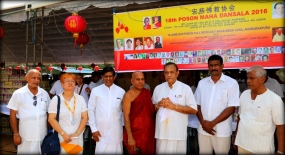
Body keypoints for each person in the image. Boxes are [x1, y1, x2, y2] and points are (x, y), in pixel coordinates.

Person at [234, 65, 284, 154]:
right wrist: (236, 137)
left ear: (262, 79)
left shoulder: (275, 99)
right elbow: (240, 118)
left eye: (252, 78)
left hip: (261, 147)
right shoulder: (244, 94)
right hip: (242, 144)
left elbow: (280, 126)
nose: (248, 81)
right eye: (247, 78)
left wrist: (280, 151)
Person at [195, 55, 240, 154]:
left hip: (221, 131)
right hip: (203, 130)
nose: (213, 68)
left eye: (216, 65)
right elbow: (197, 105)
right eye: (211, 65)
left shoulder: (231, 83)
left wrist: (211, 124)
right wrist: (204, 124)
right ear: (208, 67)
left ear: (222, 66)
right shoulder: (202, 83)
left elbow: (231, 108)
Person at [152, 62, 197, 154]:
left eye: (172, 72)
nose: (169, 75)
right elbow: (153, 108)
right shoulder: (158, 88)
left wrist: (174, 106)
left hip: (178, 133)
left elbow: (193, 110)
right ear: (164, 74)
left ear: (177, 73)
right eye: (166, 72)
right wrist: (159, 104)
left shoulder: (185, 88)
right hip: (162, 133)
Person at [7, 69, 51, 154]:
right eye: (33, 78)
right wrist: (16, 134)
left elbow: (48, 112)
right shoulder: (18, 93)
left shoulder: (44, 93)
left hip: (42, 135)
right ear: (27, 78)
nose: (36, 80)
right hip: (26, 135)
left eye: (38, 78)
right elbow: (12, 115)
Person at [88, 66, 125, 154]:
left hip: (116, 131)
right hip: (101, 131)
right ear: (102, 77)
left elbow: (124, 112)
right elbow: (90, 109)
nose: (108, 78)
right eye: (106, 76)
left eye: (110, 76)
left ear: (114, 77)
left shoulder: (121, 91)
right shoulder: (95, 91)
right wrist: (93, 129)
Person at [48, 73, 88, 154]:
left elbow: (85, 117)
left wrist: (77, 133)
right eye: (67, 81)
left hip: (77, 137)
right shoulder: (56, 99)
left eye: (72, 81)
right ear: (62, 84)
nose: (70, 83)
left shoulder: (80, 99)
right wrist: (63, 134)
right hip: (62, 137)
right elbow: (51, 119)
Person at [123, 71, 155, 154]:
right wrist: (130, 137)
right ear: (132, 81)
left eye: (142, 79)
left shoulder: (147, 93)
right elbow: (126, 116)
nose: (140, 82)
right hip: (135, 134)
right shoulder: (128, 95)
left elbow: (151, 110)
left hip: (148, 133)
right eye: (138, 79)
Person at [186, 76, 199, 154]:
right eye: (189, 80)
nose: (190, 81)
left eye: (191, 80)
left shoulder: (195, 89)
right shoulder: (186, 88)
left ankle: (193, 135)